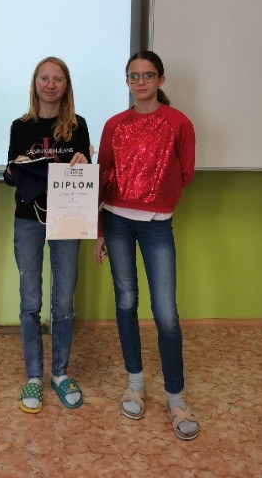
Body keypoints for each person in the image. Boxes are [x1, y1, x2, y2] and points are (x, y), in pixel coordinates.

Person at [93, 51, 199, 440]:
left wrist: (154, 197)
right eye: (134, 76)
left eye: (148, 75)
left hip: (157, 225)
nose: (141, 82)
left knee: (166, 313)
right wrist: (100, 230)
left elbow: (184, 173)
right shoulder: (113, 125)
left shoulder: (178, 123)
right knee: (125, 302)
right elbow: (102, 176)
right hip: (116, 222)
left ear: (161, 80)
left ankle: (176, 397)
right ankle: (135, 383)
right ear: (127, 81)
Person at [4, 56, 91, 413]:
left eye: (57, 79)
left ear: (66, 85)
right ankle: (33, 377)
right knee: (30, 300)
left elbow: (86, 172)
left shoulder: (78, 126)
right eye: (44, 78)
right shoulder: (19, 126)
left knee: (64, 300)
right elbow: (9, 174)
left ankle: (59, 372)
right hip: (28, 218)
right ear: (35, 83)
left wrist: (83, 163)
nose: (50, 85)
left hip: (67, 219)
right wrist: (16, 168)